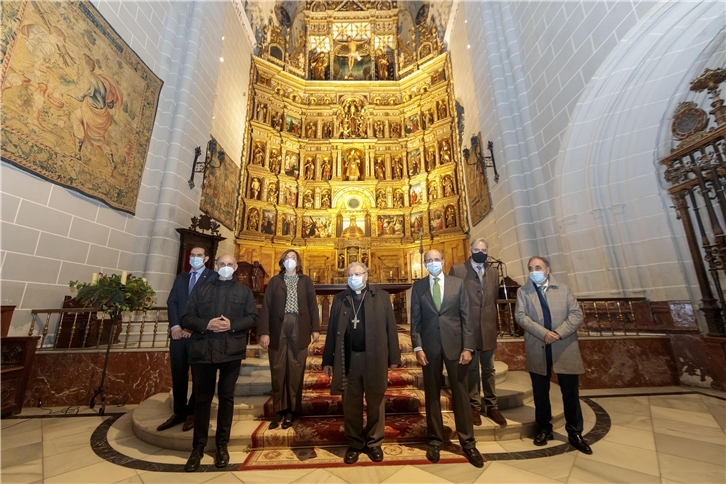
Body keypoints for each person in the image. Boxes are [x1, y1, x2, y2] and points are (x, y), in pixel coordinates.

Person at [181, 254, 259, 472]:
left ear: (235, 268)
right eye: (222, 264)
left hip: (230, 352)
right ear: (216, 267)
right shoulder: (202, 289)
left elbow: (253, 317)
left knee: (226, 398)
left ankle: (222, 445)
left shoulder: (244, 291)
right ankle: (198, 448)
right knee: (202, 399)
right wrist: (207, 323)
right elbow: (186, 318)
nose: (226, 267)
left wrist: (231, 324)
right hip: (203, 352)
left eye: (229, 265)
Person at [410, 249, 483, 468]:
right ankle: (435, 439)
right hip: (429, 348)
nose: (433, 263)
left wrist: (468, 347)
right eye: (428, 261)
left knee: (461, 394)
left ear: (443, 261)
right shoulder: (419, 286)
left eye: (436, 260)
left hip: (456, 346)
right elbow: (416, 320)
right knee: (432, 394)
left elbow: (466, 317)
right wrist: (418, 347)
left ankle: (468, 442)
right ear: (424, 264)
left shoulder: (457, 284)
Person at [323, 262, 401, 464]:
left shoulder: (381, 297)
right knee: (351, 403)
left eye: (358, 274)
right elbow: (332, 331)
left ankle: (374, 443)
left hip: (374, 357)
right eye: (350, 274)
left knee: (375, 401)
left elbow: (391, 328)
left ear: (367, 275)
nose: (354, 277)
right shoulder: (340, 299)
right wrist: (327, 359)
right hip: (349, 358)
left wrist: (394, 358)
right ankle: (355, 443)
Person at [514, 256, 592, 455]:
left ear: (547, 269)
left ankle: (575, 432)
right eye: (531, 268)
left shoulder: (564, 289)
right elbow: (521, 316)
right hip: (538, 347)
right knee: (540, 394)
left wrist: (557, 334)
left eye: (538, 267)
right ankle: (544, 428)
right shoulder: (523, 291)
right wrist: (543, 334)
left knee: (570, 394)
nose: (534, 271)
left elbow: (576, 315)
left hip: (564, 346)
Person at [158, 247, 217, 433]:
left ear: (206, 258)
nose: (195, 258)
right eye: (192, 255)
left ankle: (193, 412)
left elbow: (211, 306)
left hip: (198, 334)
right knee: (178, 373)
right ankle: (179, 412)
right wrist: (175, 326)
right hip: (177, 335)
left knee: (199, 376)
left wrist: (192, 326)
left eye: (199, 255)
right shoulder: (181, 277)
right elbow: (172, 302)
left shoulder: (213, 278)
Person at [258, 250, 320, 429]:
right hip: (278, 326)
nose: (290, 261)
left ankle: (292, 410)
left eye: (293, 258)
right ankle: (279, 410)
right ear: (282, 261)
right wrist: (264, 332)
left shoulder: (305, 281)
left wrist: (315, 328)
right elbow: (267, 307)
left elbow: (313, 306)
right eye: (287, 258)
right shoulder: (275, 281)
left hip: (299, 326)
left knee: (295, 368)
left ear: (298, 261)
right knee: (277, 368)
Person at [449, 238, 507, 428]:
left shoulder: (493, 272)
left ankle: (492, 406)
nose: (480, 252)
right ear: (470, 250)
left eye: (484, 249)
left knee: (489, 369)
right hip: (468, 328)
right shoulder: (458, 270)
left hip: (488, 327)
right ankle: (474, 406)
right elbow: (453, 299)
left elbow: (492, 299)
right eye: (476, 249)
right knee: (472, 369)